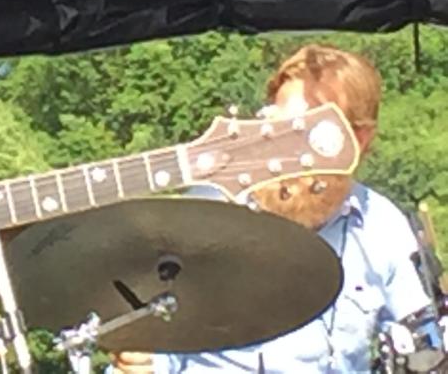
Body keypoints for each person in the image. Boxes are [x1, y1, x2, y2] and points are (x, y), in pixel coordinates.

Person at [112, 44, 435, 373]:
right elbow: (147, 337)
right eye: (279, 126)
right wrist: (145, 362)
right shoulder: (207, 209)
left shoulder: (382, 226)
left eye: (309, 132)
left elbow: (427, 341)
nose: (285, 145)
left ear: (360, 139)